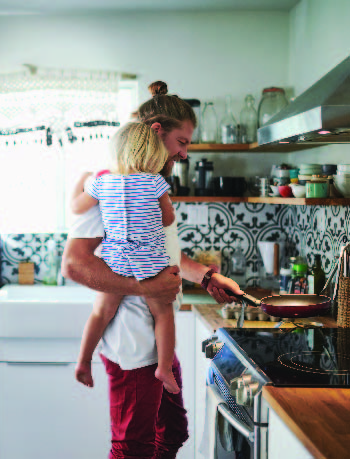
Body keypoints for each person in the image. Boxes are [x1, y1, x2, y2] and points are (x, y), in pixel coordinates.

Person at [62, 80, 243, 459]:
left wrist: (205, 275)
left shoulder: (152, 184)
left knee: (172, 433)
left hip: (159, 342)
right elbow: (75, 266)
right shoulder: (108, 184)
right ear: (158, 132)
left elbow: (166, 255)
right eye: (183, 142)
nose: (185, 152)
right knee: (132, 448)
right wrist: (147, 288)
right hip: (132, 346)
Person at [72, 121, 180, 395]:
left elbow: (75, 207)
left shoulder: (101, 183)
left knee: (101, 312)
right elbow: (169, 218)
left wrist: (80, 182)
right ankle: (164, 368)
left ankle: (84, 361)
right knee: (163, 313)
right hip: (150, 261)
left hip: (116, 260)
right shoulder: (157, 182)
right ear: (154, 155)